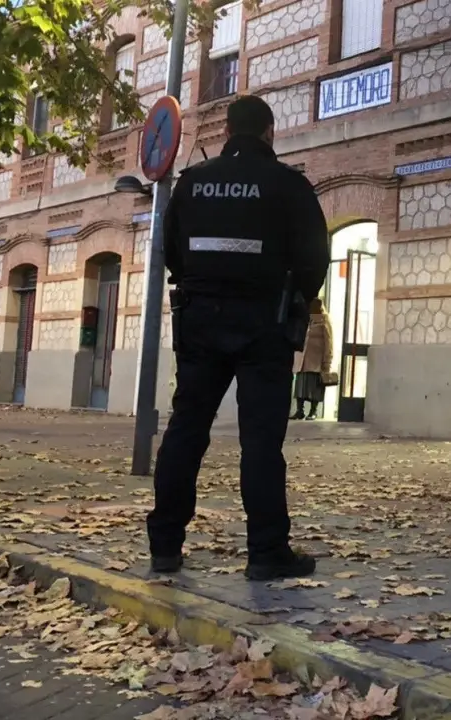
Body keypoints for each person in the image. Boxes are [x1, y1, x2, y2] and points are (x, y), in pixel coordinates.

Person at [146, 95, 330, 581]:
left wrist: (200, 284)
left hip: (199, 319)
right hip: (264, 324)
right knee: (262, 441)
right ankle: (266, 552)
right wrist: (293, 299)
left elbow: (170, 249)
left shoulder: (193, 183)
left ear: (227, 132)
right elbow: (315, 257)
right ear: (270, 132)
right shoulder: (288, 184)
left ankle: (164, 545)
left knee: (187, 429)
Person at [292, 298, 333, 420]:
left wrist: (327, 361)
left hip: (316, 361)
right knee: (300, 387)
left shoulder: (324, 321)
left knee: (314, 388)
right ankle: (300, 410)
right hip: (302, 360)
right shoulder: (306, 320)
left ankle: (313, 411)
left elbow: (329, 342)